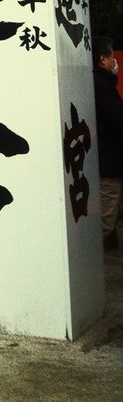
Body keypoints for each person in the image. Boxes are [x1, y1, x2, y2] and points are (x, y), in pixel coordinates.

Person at [93, 36, 123, 250]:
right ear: (102, 59)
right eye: (112, 56)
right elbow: (117, 123)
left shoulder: (100, 84)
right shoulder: (102, 87)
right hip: (109, 165)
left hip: (109, 164)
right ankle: (86, 260)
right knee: (105, 219)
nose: (115, 61)